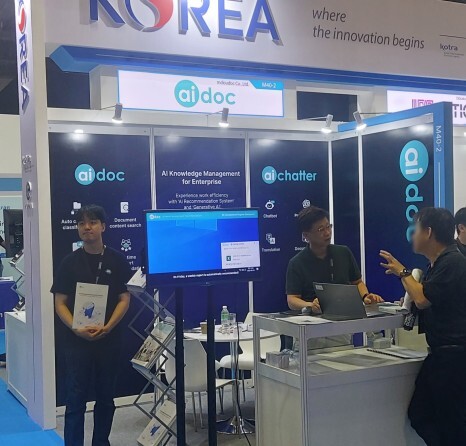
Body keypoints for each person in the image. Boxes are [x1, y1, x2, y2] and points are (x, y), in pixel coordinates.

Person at [380, 207, 466, 445]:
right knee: (422, 414)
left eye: (416, 229)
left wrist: (403, 273)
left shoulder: (453, 262)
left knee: (449, 424)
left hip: (453, 357)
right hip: (442, 355)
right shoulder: (439, 263)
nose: (413, 235)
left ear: (428, 232)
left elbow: (422, 298)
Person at [51, 204, 132, 446]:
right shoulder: (69, 262)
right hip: (76, 342)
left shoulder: (117, 260)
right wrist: (75, 328)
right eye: (82, 223)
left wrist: (108, 326)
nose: (87, 227)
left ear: (103, 226)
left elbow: (124, 298)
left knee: (106, 398)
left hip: (109, 340)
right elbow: (59, 302)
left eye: (93, 222)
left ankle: (101, 442)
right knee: (75, 400)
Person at [286, 206, 383, 350]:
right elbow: (292, 300)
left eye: (328, 226)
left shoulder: (343, 253)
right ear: (306, 235)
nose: (327, 233)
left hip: (341, 327)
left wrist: (365, 296)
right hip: (311, 329)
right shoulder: (297, 263)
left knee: (343, 359)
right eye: (320, 229)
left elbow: (357, 282)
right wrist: (310, 305)